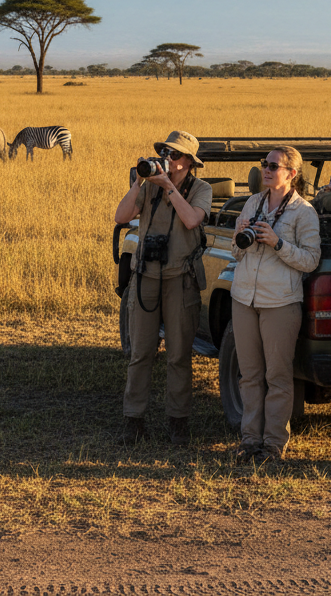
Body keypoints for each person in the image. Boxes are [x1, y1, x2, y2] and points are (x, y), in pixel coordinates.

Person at [114, 131, 213, 446]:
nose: (168, 159)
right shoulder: (150, 186)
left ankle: (178, 422)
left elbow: (192, 220)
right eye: (165, 152)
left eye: (175, 154)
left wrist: (169, 187)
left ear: (188, 162)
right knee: (141, 352)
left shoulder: (201, 189)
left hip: (179, 278)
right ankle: (133, 420)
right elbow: (120, 216)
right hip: (146, 276)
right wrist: (139, 184)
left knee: (179, 355)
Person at [229, 147, 321, 463]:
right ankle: (250, 439)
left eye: (273, 166)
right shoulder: (253, 202)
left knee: (277, 376)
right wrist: (240, 235)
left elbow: (311, 260)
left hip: (280, 303)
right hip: (244, 298)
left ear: (291, 173)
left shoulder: (303, 212)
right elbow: (236, 252)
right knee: (249, 375)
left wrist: (278, 243)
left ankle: (273, 443)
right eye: (263, 165)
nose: (265, 170)